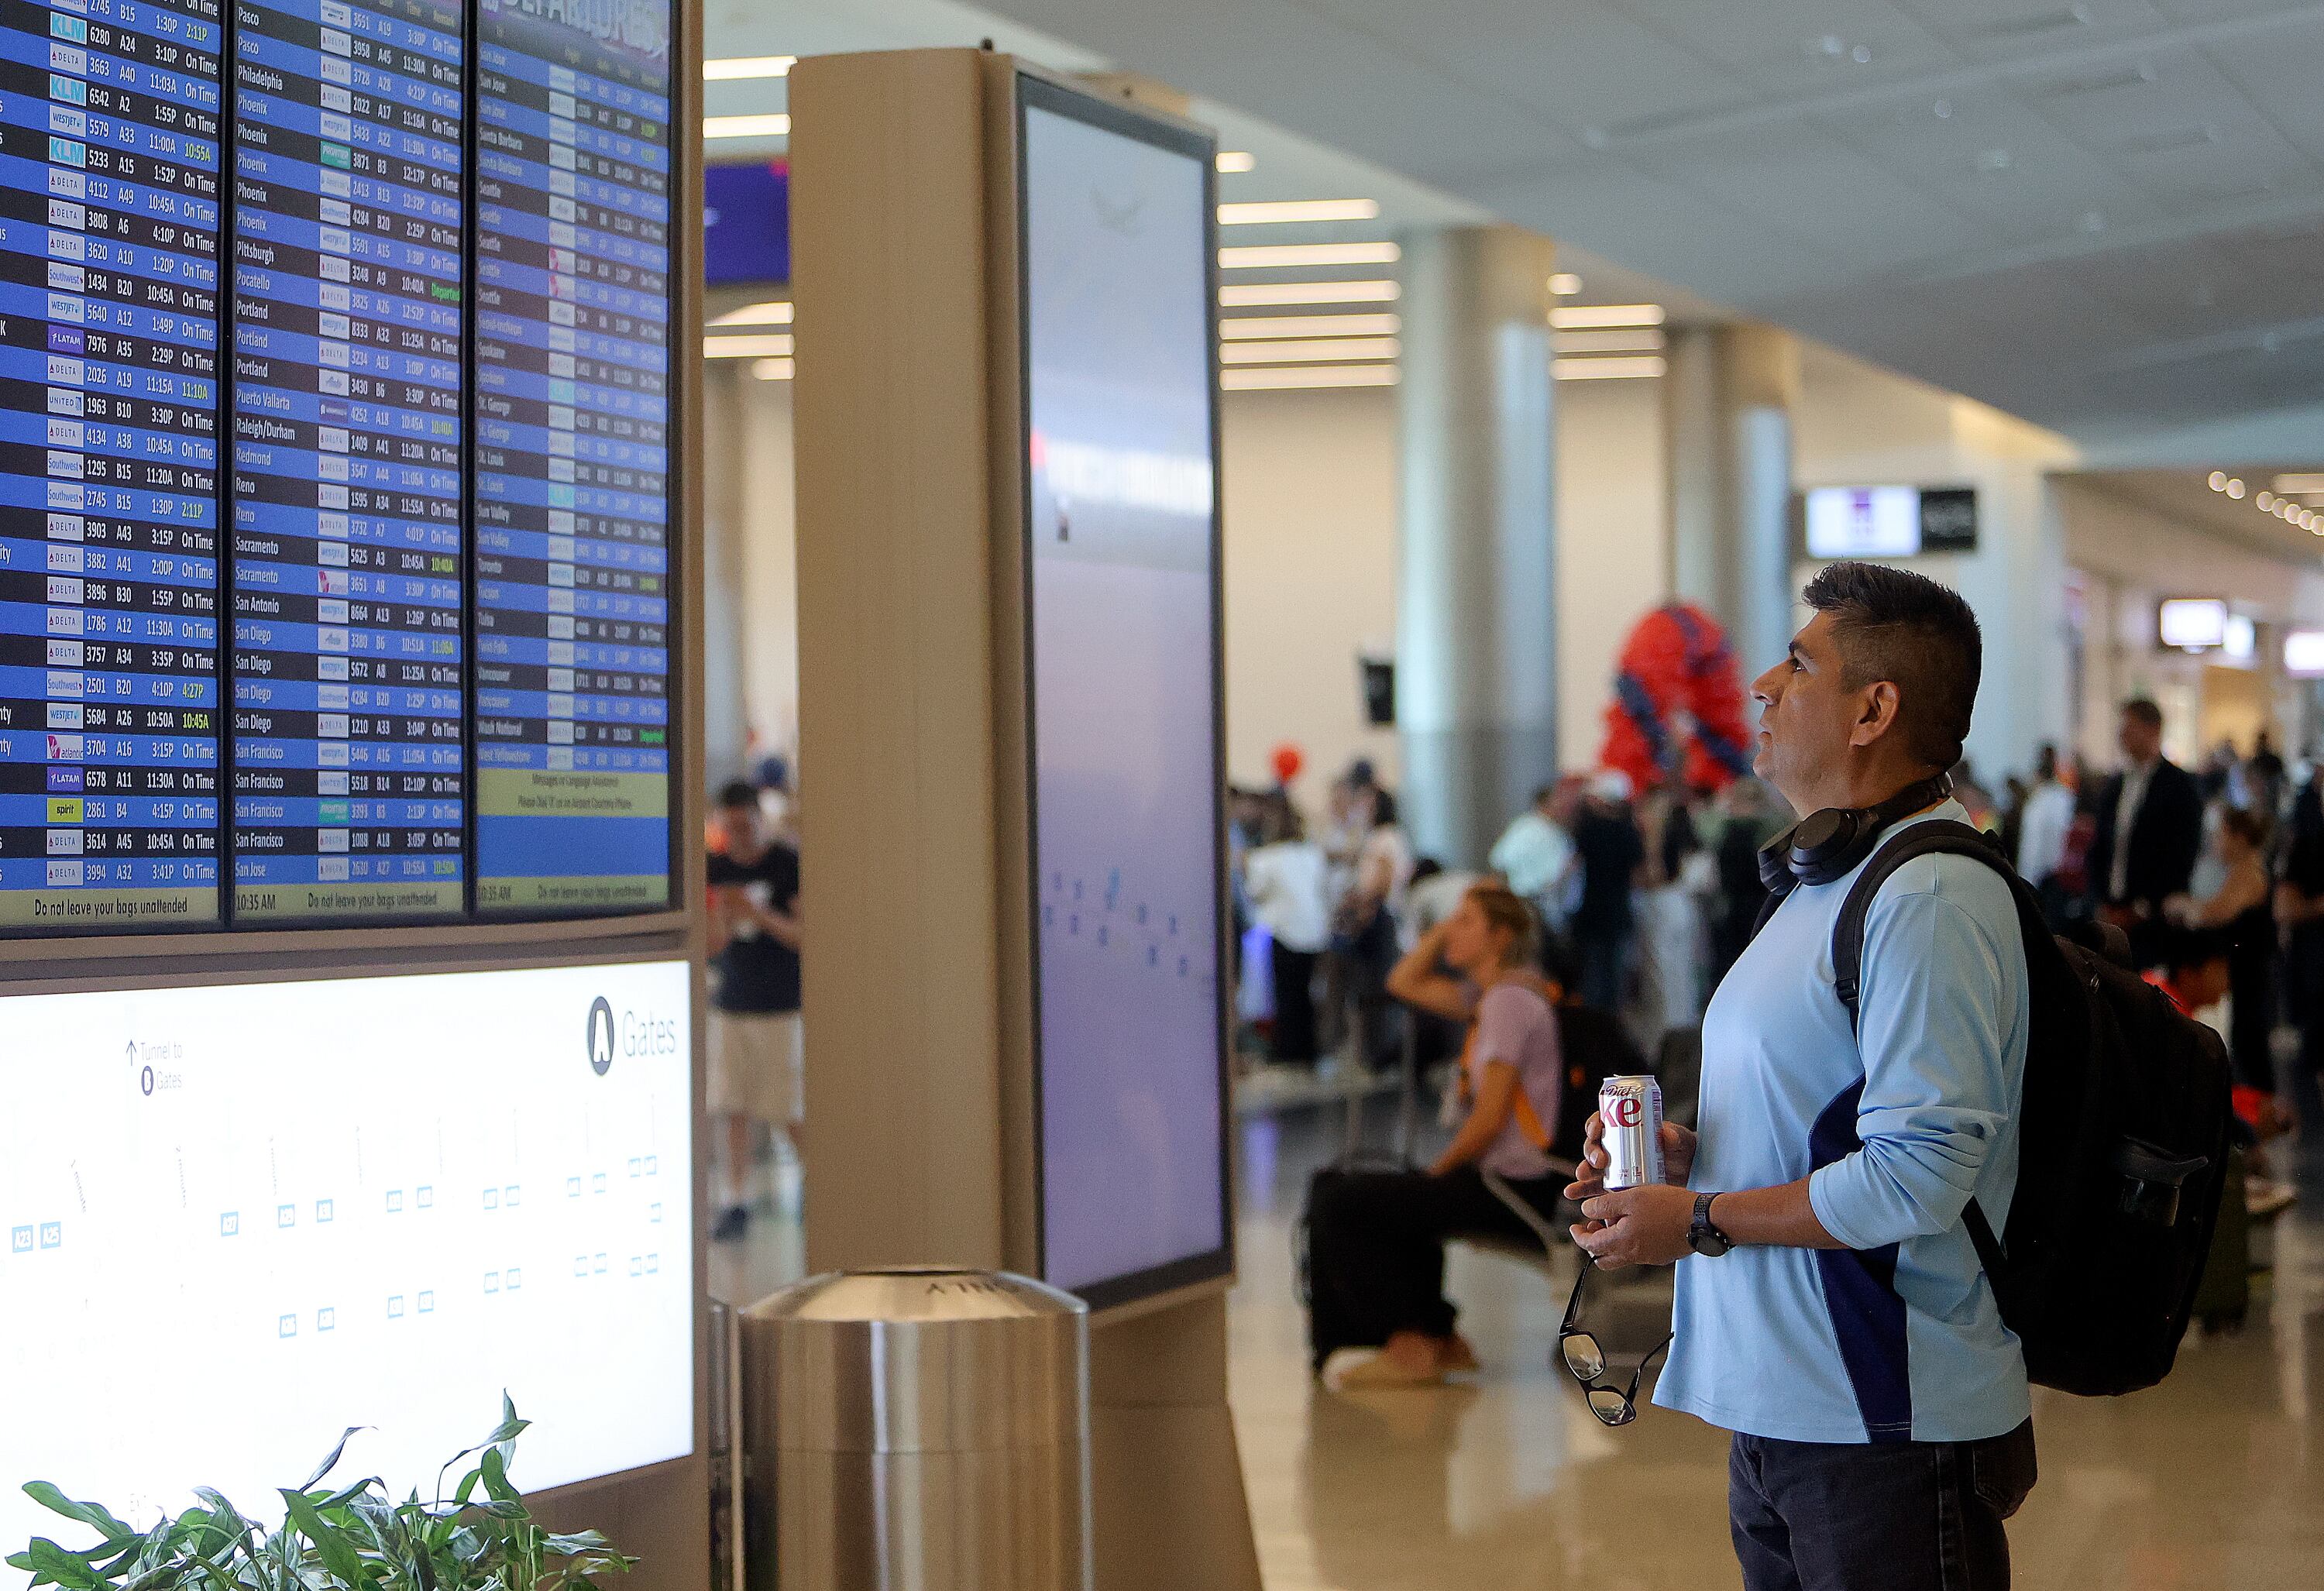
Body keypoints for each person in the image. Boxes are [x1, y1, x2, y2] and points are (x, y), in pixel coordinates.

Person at [1569, 562, 2037, 1589]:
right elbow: (1820, 1115)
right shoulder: (1831, 878)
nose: (1761, 690)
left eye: (1797, 665)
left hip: (1882, 1416)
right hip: (1785, 1406)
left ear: (1875, 708)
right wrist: (1682, 1158)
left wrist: (1695, 1217)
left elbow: (1918, 1174)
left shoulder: (1930, 894)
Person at [1305, 881, 1566, 1386]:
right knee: (1346, 1187)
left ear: (1499, 936)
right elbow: (1403, 980)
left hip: (1516, 1187)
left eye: (1466, 920)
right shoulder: (1490, 996)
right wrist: (1447, 928)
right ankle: (1435, 1337)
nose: (1451, 929)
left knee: (1342, 1202)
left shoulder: (1507, 1004)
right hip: (1504, 1180)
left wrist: (1435, 1172)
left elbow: (1488, 1119)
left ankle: (1407, 1345)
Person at [706, 779, 804, 1242]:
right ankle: (735, 1199)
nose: (740, 836)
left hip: (782, 1006)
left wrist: (759, 915)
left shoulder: (787, 865)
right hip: (733, 1003)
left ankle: (816, 1185)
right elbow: (710, 944)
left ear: (760, 821)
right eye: (732, 828)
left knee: (788, 1109)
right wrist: (725, 919)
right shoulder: (714, 868)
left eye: (746, 826)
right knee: (732, 1106)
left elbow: (802, 936)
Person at [2167, 806, 2277, 1114]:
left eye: (2220, 835)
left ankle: (2263, 1125)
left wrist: (2184, 907)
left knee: (2252, 1052)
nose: (2215, 843)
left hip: (2252, 978)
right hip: (2244, 977)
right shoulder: (2242, 871)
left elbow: (2216, 913)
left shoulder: (2250, 872)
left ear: (2238, 838)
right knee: (2246, 1050)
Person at [2088, 699, 2205, 968]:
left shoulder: (2179, 787)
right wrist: (2101, 900)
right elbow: (2101, 847)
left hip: (2153, 923)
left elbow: (2180, 854)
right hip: (2111, 914)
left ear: (2153, 730)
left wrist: (2142, 908)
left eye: (2130, 727)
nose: (2123, 735)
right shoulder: (2116, 785)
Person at [1243, 799, 1332, 1068]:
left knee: (1286, 995)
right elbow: (1321, 889)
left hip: (1284, 933)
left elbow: (1255, 893)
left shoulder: (1264, 858)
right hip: (1314, 933)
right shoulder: (1312, 855)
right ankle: (1308, 1051)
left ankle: (1290, 1053)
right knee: (1305, 995)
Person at [1569, 769, 1645, 1015]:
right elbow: (1641, 876)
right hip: (1618, 911)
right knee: (1613, 979)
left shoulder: (1587, 831)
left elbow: (1571, 869)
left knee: (1592, 978)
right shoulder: (1629, 833)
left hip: (1591, 911)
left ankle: (1593, 1028)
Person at [1489, 782, 1576, 916]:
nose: (1563, 807)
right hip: (1530, 903)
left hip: (1548, 907)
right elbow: (1500, 863)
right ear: (1544, 803)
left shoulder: (1557, 832)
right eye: (1558, 801)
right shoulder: (1526, 828)